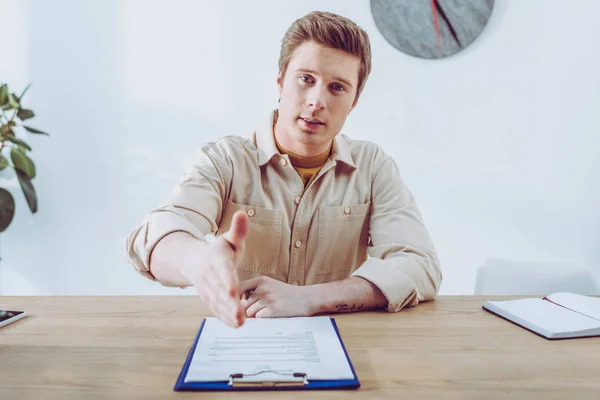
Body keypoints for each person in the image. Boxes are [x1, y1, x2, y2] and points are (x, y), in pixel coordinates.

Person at [124, 11, 442, 328]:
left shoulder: (373, 167)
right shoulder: (226, 159)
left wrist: (311, 298)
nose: (316, 101)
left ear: (354, 101)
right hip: (240, 338)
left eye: (337, 87)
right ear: (280, 81)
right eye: (306, 79)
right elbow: (151, 236)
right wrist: (199, 261)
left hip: (343, 345)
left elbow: (420, 265)